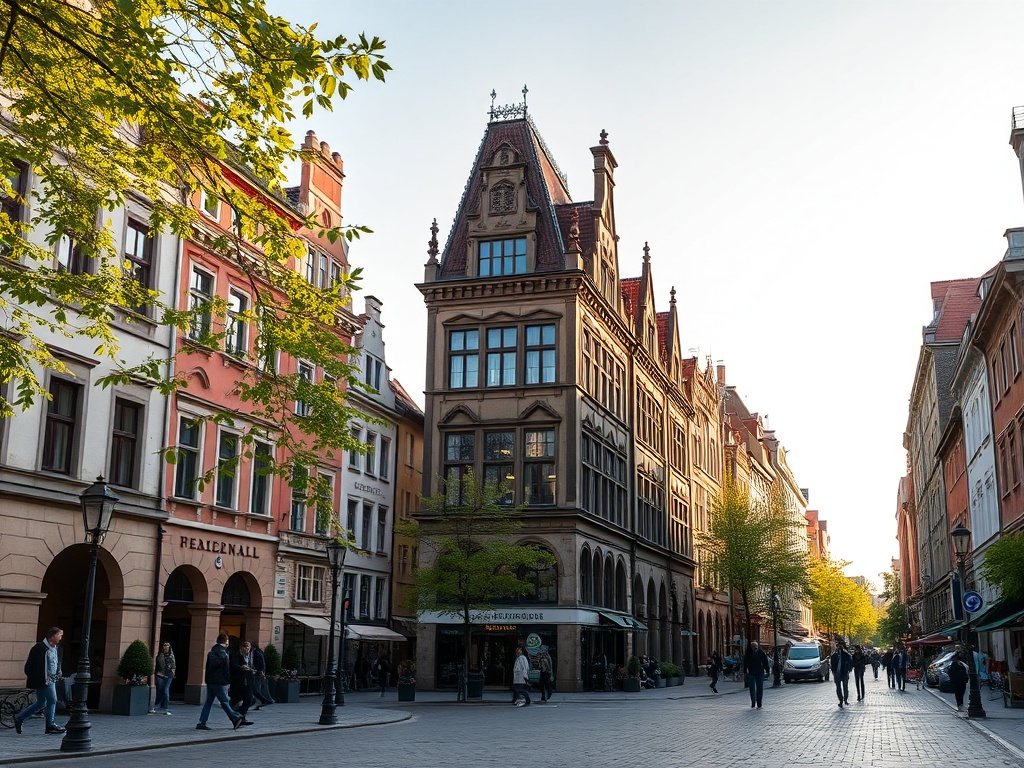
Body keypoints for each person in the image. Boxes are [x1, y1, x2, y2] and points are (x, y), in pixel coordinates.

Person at [13, 627, 65, 735]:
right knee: (52, 700)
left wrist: (58, 671)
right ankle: (50, 725)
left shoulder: (56, 648)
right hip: (44, 680)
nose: (60, 638)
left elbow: (57, 661)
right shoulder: (39, 648)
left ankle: (20, 718)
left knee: (41, 702)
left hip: (52, 679)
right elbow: (30, 665)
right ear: (53, 636)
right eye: (59, 636)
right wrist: (35, 677)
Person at [197, 633, 250, 731]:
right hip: (220, 681)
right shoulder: (224, 653)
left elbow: (208, 667)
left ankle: (201, 722)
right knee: (225, 701)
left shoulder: (212, 651)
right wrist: (228, 681)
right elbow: (226, 669)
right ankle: (235, 718)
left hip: (210, 681)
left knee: (208, 702)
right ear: (226, 641)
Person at [230, 640, 257, 717]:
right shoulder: (236, 655)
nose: (247, 649)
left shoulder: (250, 656)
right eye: (246, 647)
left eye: (249, 647)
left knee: (248, 699)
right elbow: (232, 666)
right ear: (241, 648)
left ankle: (241, 713)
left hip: (247, 680)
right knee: (236, 699)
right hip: (238, 680)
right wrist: (241, 667)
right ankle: (237, 713)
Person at [743, 641, 770, 709]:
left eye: (755, 646)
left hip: (759, 672)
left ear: (757, 646)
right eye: (753, 646)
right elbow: (745, 663)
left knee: (759, 688)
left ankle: (759, 703)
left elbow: (765, 662)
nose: (754, 647)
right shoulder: (748, 653)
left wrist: (767, 670)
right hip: (751, 672)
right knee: (752, 687)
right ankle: (753, 701)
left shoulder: (761, 653)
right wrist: (745, 672)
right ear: (751, 647)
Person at [150, 641, 175, 714]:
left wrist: (172, 673)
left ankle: (165, 706)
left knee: (165, 690)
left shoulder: (171, 656)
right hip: (160, 674)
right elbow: (158, 665)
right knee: (160, 690)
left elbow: (173, 666)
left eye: (167, 648)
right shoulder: (160, 656)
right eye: (164, 648)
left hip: (169, 675)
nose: (165, 649)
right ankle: (159, 704)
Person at [250, 643, 274, 709]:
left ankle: (261, 701)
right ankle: (267, 700)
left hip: (258, 672)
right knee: (261, 687)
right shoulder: (259, 652)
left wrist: (261, 671)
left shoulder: (256, 653)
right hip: (259, 672)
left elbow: (261, 663)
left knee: (257, 687)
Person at [831, 642, 853, 707]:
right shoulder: (834, 655)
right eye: (838, 646)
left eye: (840, 646)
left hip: (844, 673)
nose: (839, 647)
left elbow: (850, 663)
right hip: (837, 673)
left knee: (845, 687)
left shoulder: (846, 655)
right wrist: (833, 671)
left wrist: (848, 669)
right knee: (838, 687)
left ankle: (845, 699)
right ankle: (841, 700)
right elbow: (832, 664)